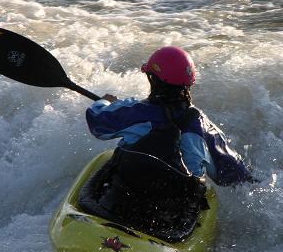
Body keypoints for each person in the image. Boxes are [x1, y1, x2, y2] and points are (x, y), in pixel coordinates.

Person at [81, 45, 253, 240]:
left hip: (120, 204)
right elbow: (231, 175)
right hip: (169, 218)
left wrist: (104, 103)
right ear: (189, 84)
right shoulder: (202, 125)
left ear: (152, 79)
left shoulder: (136, 111)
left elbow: (97, 123)